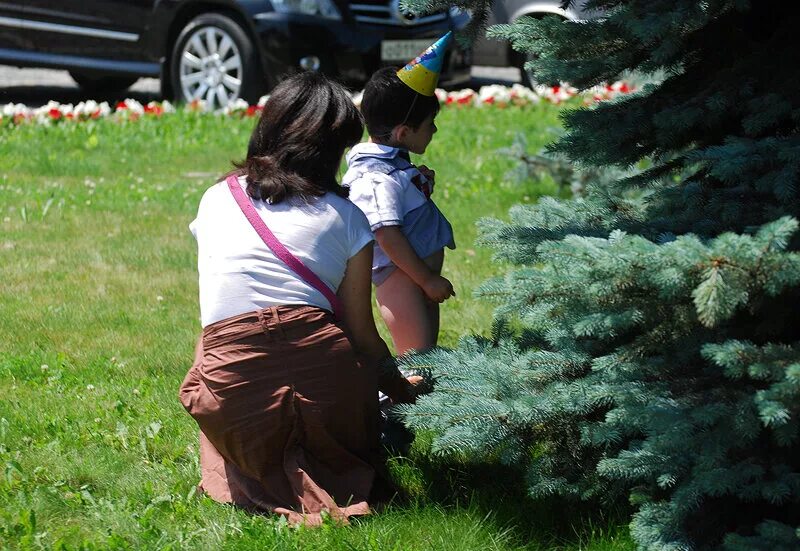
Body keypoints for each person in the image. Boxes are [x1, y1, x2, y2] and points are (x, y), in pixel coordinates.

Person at [178, 72, 418, 526]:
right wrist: (404, 393)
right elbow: (361, 336)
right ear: (331, 151)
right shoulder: (348, 218)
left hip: (235, 392)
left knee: (208, 344)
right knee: (336, 380)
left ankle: (255, 457)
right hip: (329, 383)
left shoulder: (215, 199)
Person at [344, 33, 456, 356]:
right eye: (430, 124)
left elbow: (402, 209)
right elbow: (387, 234)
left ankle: (423, 402)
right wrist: (426, 280)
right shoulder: (375, 180)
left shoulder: (392, 167)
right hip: (402, 278)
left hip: (416, 276)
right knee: (415, 359)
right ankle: (396, 405)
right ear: (403, 133)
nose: (434, 131)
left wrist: (418, 183)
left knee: (427, 357)